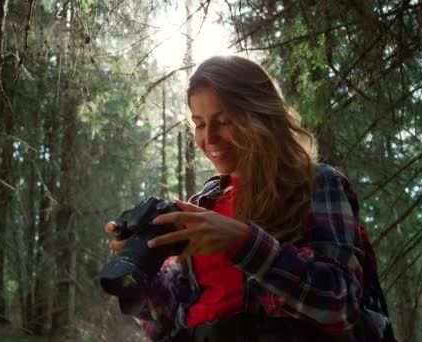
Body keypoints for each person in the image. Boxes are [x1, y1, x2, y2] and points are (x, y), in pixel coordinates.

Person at [105, 55, 391, 342]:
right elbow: (166, 324)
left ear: (260, 116)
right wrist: (139, 270)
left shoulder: (314, 183)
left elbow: (342, 304)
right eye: (200, 124)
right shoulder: (204, 205)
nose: (210, 138)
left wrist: (245, 243)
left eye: (223, 121)